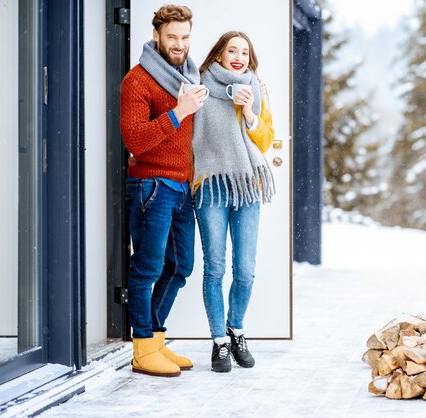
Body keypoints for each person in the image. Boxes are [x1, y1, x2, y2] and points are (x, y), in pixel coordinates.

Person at [120, 4, 208, 377]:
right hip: (151, 184)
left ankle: (155, 339)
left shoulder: (188, 75)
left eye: (185, 37)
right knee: (148, 267)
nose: (179, 44)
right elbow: (136, 140)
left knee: (179, 267)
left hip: (181, 187)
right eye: (172, 37)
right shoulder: (137, 80)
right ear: (156, 35)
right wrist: (179, 111)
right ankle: (142, 349)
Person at [192, 31, 275, 372]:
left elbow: (266, 139)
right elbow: (189, 134)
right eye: (232, 50)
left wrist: (250, 112)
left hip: (247, 185)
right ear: (219, 55)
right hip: (211, 185)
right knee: (214, 267)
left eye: (244, 51)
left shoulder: (255, 88)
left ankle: (236, 329)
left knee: (245, 271)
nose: (239, 55)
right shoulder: (199, 85)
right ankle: (219, 343)